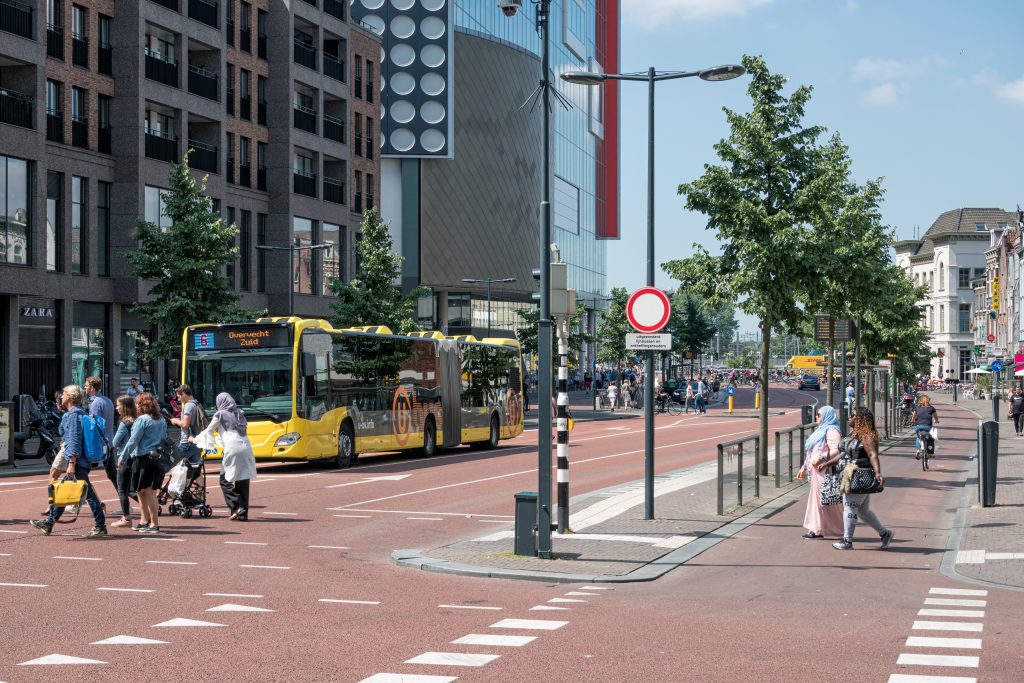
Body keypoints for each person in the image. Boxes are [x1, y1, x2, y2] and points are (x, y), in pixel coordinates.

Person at [30, 385, 107, 538]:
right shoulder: (79, 413)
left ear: (70, 398)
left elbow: (74, 440)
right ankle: (49, 522)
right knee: (64, 493)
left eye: (64, 394)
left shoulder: (73, 416)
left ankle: (100, 526)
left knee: (88, 495)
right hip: (81, 460)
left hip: (77, 462)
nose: (61, 396)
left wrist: (71, 463)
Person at [833, 407, 894, 550]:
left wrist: (878, 473)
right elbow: (843, 455)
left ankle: (847, 541)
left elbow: (873, 454)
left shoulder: (867, 436)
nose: (849, 417)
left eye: (852, 415)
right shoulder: (854, 434)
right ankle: (885, 534)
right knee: (863, 511)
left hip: (858, 475)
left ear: (860, 419)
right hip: (848, 474)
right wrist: (827, 462)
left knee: (849, 506)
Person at [192, 392, 256, 521]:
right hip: (246, 447)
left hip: (233, 447)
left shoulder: (220, 414)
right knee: (242, 478)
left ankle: (237, 506)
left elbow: (208, 430)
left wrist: (194, 439)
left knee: (224, 480)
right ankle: (242, 514)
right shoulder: (240, 413)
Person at [122, 392, 168, 533]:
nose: (136, 406)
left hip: (143, 457)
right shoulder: (161, 420)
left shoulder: (142, 420)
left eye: (137, 403)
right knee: (142, 491)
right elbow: (164, 438)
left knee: (148, 491)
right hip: (155, 458)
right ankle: (144, 521)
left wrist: (122, 457)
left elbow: (133, 441)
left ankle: (154, 524)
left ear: (142, 405)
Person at [795, 406, 844, 539]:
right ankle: (820, 529)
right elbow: (811, 452)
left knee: (824, 501)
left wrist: (821, 457)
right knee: (820, 501)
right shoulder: (821, 430)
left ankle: (818, 529)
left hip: (824, 470)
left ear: (827, 416)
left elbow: (836, 450)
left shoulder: (832, 431)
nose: (817, 417)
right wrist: (804, 467)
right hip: (816, 471)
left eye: (819, 415)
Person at [108, 395, 137, 528]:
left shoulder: (124, 423)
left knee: (122, 490)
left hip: (124, 459)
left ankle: (126, 518)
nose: (116, 408)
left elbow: (114, 442)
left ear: (124, 407)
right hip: (137, 457)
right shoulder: (137, 420)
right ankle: (148, 508)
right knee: (133, 488)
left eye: (118, 405)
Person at [86, 376, 116, 493]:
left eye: (87, 385)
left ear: (92, 388)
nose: (85, 387)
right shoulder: (107, 400)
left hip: (99, 444)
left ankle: (82, 501)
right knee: (113, 474)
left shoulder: (95, 403)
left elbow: (94, 426)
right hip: (108, 442)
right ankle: (128, 502)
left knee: (81, 472)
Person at [170, 384, 204, 466]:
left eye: (179, 396)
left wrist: (175, 421)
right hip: (196, 441)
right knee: (196, 469)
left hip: (187, 443)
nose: (178, 399)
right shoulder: (197, 404)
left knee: (177, 466)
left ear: (184, 394)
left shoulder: (188, 405)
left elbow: (185, 424)